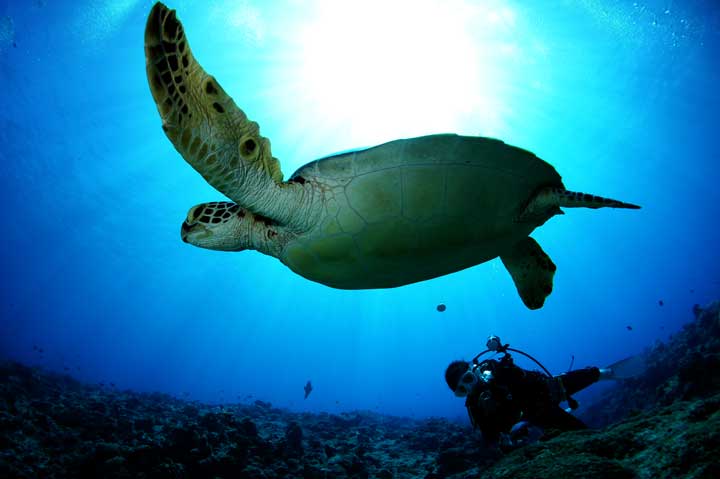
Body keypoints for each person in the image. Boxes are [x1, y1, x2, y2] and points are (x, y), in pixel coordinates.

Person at [445, 335, 640, 450]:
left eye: (468, 380)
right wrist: (508, 437)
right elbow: (490, 439)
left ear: (474, 370)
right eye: (462, 390)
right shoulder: (475, 407)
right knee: (583, 435)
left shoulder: (496, 370)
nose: (469, 389)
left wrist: (502, 376)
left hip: (547, 390)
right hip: (540, 415)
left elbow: (525, 380)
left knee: (590, 374)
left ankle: (609, 373)